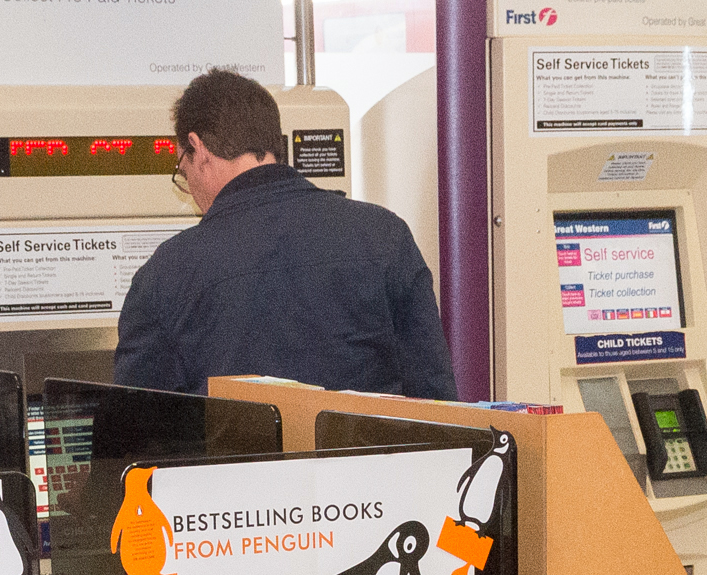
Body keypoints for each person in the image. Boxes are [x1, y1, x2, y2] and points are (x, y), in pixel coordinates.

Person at [114, 69, 456, 400]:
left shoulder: (165, 274)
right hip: (372, 458)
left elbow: (141, 431)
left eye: (183, 169)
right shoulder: (385, 235)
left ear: (197, 148)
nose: (189, 188)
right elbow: (437, 401)